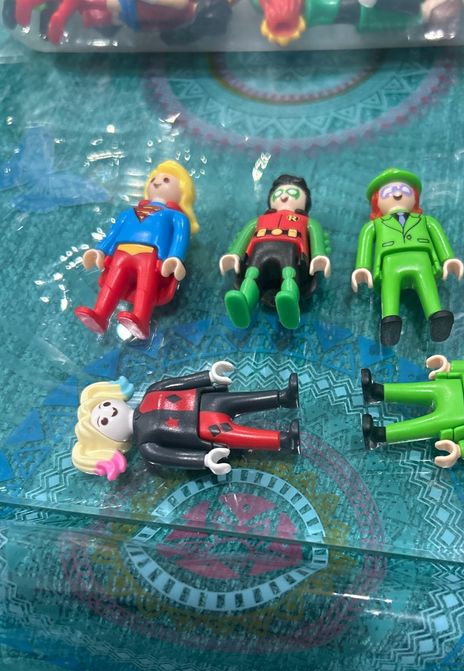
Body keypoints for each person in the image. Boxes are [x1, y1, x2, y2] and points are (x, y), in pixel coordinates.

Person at [72, 361, 300, 480]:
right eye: (103, 423)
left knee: (245, 399)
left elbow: (180, 383)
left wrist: (209, 375)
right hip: (203, 430)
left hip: (206, 401)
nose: (109, 413)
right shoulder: (146, 445)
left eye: (103, 406)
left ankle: (284, 397)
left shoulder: (152, 391)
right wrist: (205, 460)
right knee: (243, 436)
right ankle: (285, 440)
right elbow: (173, 457)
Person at [74, 160, 198, 341]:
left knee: (145, 286)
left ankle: (141, 319)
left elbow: (180, 238)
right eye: (154, 179)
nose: (157, 182)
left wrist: (174, 258)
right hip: (121, 252)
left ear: (183, 191)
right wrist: (100, 250)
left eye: (166, 180)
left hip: (151, 255)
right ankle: (100, 314)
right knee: (112, 283)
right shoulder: (128, 212)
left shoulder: (177, 217)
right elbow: (113, 234)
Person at [352, 168, 464, 346]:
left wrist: (448, 258)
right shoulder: (375, 225)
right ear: (376, 201)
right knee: (390, 288)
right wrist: (362, 267)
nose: (397, 194)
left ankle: (437, 317)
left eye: (404, 190)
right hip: (389, 262)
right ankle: (389, 322)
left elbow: (439, 237)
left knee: (426, 284)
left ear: (415, 197)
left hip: (421, 258)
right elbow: (365, 243)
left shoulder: (426, 220)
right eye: (388, 192)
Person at [220, 174, 330, 330]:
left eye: (292, 193)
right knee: (251, 274)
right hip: (259, 249)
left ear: (305, 199)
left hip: (291, 250)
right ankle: (244, 302)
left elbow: (317, 237)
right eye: (279, 193)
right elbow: (243, 236)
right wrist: (235, 253)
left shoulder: (307, 222)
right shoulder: (258, 220)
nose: (284, 197)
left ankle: (289, 302)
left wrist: (319, 255)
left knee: (289, 273)